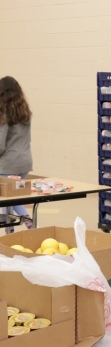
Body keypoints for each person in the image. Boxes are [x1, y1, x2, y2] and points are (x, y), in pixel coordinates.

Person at [0, 76, 33, 232]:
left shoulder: (3, 116)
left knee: (11, 198)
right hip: (25, 162)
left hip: (8, 164)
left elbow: (0, 145)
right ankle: (9, 234)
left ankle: (31, 224)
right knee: (10, 198)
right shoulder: (25, 113)